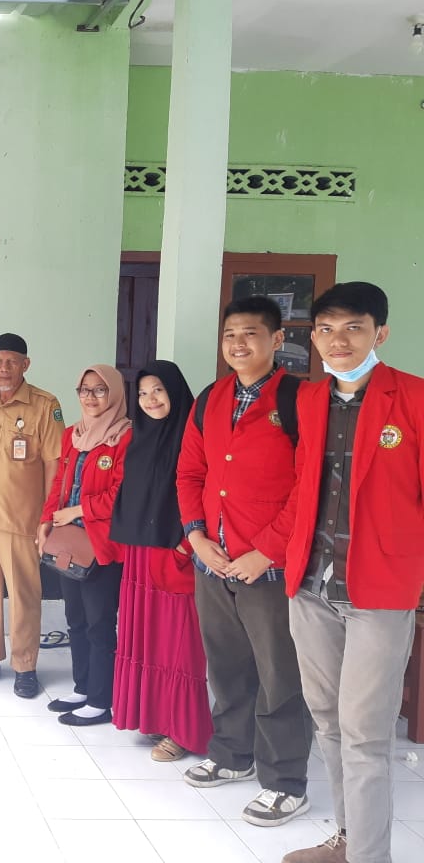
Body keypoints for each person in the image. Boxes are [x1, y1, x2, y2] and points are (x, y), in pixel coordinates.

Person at [280, 282, 424, 863]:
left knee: (365, 734)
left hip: (378, 592)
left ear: (380, 333)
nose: (338, 342)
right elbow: (304, 485)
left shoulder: (412, 398)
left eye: (353, 329)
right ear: (313, 338)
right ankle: (347, 839)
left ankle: (371, 858)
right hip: (313, 585)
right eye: (325, 330)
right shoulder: (312, 400)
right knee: (328, 722)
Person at [176, 295, 313, 827]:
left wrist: (267, 552)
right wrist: (195, 536)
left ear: (277, 340)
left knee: (279, 672)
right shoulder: (211, 397)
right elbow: (190, 472)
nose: (238, 343)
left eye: (251, 333)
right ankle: (233, 755)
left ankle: (285, 782)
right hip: (213, 559)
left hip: (268, 567)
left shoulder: (300, 399)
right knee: (227, 665)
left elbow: (309, 489)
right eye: (231, 333)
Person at [109, 360, 213, 760]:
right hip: (140, 555)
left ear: (175, 392)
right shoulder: (140, 437)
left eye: (159, 391)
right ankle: (154, 718)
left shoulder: (192, 436)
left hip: (176, 551)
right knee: (147, 640)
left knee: (179, 647)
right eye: (143, 393)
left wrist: (188, 545)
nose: (150, 400)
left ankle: (185, 731)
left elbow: (201, 493)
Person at [0, 333, 64, 698]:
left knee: (24, 595)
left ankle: (25, 666)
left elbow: (55, 463)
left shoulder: (43, 405)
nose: (4, 368)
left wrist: (47, 516)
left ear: (26, 364)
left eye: (12, 361)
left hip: (22, 519)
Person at [38, 364, 130, 726]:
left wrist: (78, 510)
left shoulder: (124, 436)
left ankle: (101, 699)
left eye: (100, 390)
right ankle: (82, 686)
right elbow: (60, 480)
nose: (91, 397)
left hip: (101, 545)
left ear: (115, 394)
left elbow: (122, 494)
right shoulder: (73, 435)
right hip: (66, 540)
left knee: (99, 622)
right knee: (74, 618)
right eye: (84, 390)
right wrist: (47, 521)